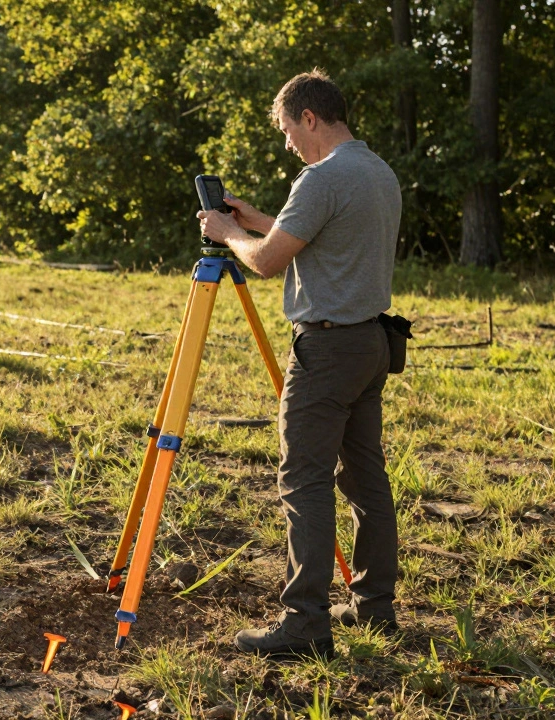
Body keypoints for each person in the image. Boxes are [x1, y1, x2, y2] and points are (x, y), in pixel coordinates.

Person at [196, 69, 401, 660]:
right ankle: (374, 607)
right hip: (371, 344)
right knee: (366, 479)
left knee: (304, 480)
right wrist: (256, 219)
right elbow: (317, 236)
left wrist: (227, 233)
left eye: (288, 129)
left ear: (309, 117)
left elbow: (265, 262)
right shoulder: (376, 171)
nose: (287, 142)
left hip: (327, 350)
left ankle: (304, 623)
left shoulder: (320, 178)